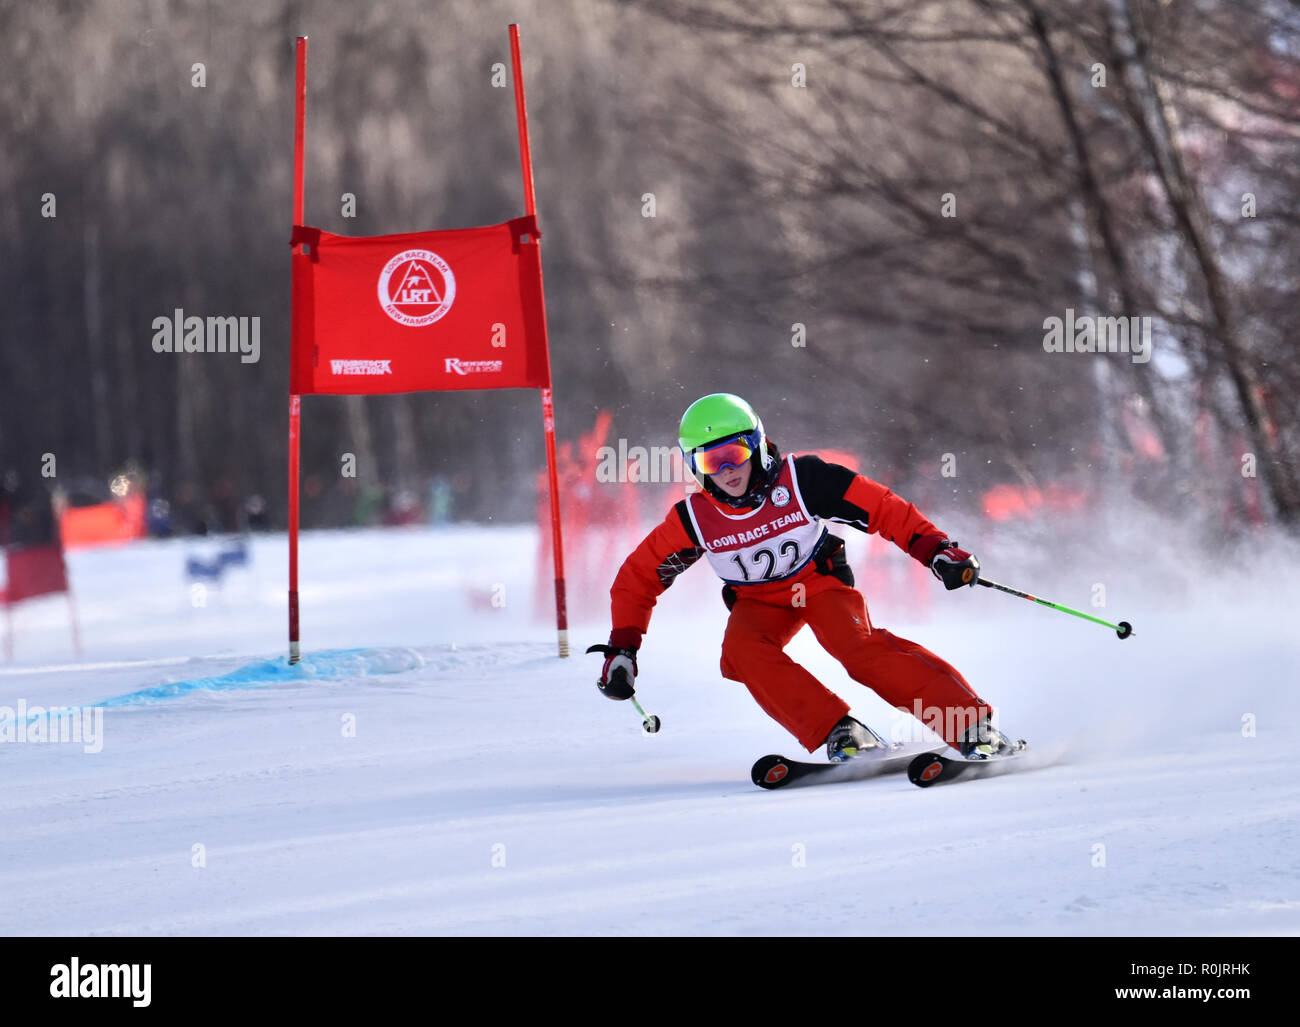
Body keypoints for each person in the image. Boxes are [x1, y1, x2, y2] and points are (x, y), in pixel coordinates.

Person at [588, 393, 1014, 762]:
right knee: (741, 652)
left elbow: (881, 507)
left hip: (819, 582)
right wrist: (623, 648)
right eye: (709, 460)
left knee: (855, 648)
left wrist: (935, 548)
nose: (726, 470)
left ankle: (970, 725)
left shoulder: (801, 479)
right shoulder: (695, 519)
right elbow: (638, 578)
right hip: (758, 602)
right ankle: (842, 732)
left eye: (734, 453)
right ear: (694, 466)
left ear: (756, 445)